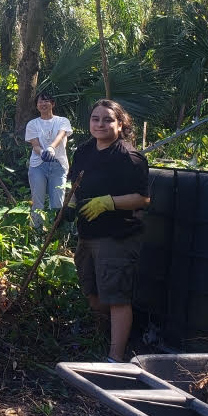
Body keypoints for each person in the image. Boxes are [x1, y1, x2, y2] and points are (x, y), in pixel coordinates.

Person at [64, 99, 149, 363]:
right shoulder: (84, 151)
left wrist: (109, 202)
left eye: (108, 119)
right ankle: (105, 339)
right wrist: (68, 207)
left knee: (116, 298)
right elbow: (75, 186)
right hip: (87, 233)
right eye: (95, 119)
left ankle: (115, 358)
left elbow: (143, 199)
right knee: (93, 294)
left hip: (116, 236)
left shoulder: (129, 157)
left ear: (120, 124)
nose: (100, 124)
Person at [24, 92, 72, 230]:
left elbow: (61, 135)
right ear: (37, 105)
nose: (43, 104)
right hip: (38, 165)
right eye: (40, 102)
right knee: (37, 200)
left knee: (58, 201)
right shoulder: (32, 124)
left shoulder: (62, 121)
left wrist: (51, 148)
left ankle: (58, 232)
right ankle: (36, 231)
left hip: (59, 165)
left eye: (46, 101)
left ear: (52, 103)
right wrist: (43, 152)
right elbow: (35, 144)